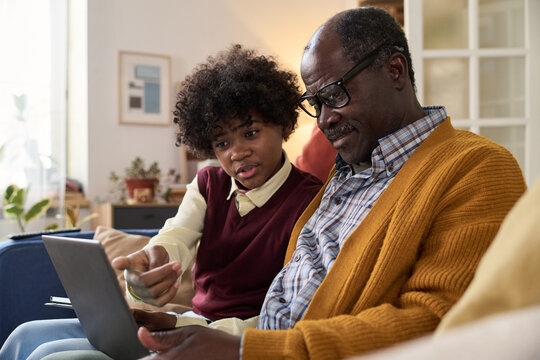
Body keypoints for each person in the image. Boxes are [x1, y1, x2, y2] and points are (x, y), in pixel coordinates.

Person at [32, 7, 526, 360]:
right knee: (31, 340)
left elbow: (437, 323)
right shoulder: (350, 170)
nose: (326, 119)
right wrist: (187, 324)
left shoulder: (477, 168)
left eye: (335, 95)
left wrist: (245, 350)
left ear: (395, 70)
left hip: (267, 351)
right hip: (247, 341)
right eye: (316, 102)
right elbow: (191, 249)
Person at [0, 44, 322, 360]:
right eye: (222, 142)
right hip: (189, 323)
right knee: (25, 335)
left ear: (283, 123)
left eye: (250, 133)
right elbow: (175, 236)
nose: (237, 152)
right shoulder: (209, 183)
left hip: (229, 339)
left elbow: (284, 320)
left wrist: (175, 322)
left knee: (51, 355)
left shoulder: (311, 200)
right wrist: (150, 266)